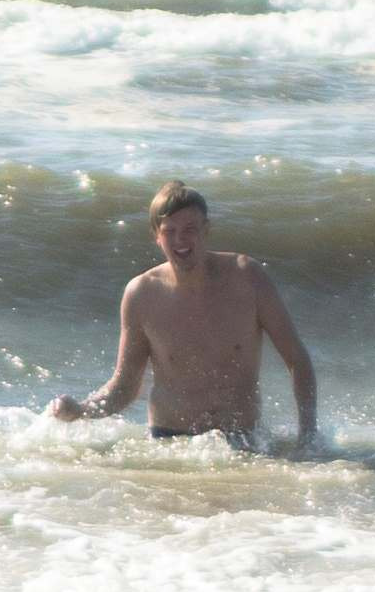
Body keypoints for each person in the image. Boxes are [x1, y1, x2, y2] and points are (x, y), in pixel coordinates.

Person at [48, 184, 330, 455]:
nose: (180, 241)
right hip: (171, 445)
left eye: (189, 230)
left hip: (243, 443)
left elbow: (297, 360)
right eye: (169, 231)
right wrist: (81, 410)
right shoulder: (141, 294)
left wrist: (308, 436)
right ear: (156, 236)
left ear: (206, 230)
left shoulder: (247, 278)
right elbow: (125, 386)